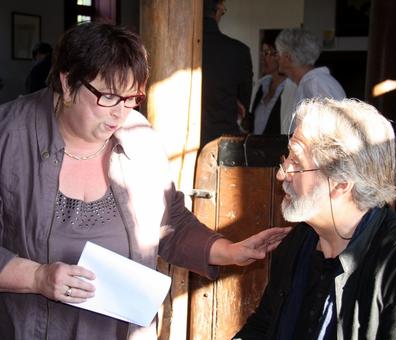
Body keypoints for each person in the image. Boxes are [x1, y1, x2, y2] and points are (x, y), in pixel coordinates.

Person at [0, 22, 290, 340]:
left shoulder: (137, 136)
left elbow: (169, 222)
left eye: (132, 98)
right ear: (68, 84)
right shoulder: (10, 134)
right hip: (31, 328)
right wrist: (37, 277)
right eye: (109, 97)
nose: (120, 114)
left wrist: (230, 251)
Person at [234, 98, 396, 339]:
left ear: (341, 183)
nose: (282, 174)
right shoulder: (298, 243)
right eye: (286, 157)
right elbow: (263, 326)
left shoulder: (392, 264)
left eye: (297, 163)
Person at [201, 0, 253, 147]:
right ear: (218, 9)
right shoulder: (238, 51)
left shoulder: (175, 48)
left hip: (176, 138)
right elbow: (243, 107)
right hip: (223, 143)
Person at [275, 28, 346, 132]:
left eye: (278, 53)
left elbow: (331, 133)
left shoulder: (315, 85)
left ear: (287, 57)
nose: (277, 58)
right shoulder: (308, 83)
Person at [242, 30, 287, 135]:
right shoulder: (262, 86)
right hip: (256, 150)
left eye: (267, 53)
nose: (263, 57)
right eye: (262, 52)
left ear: (280, 55)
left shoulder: (290, 89)